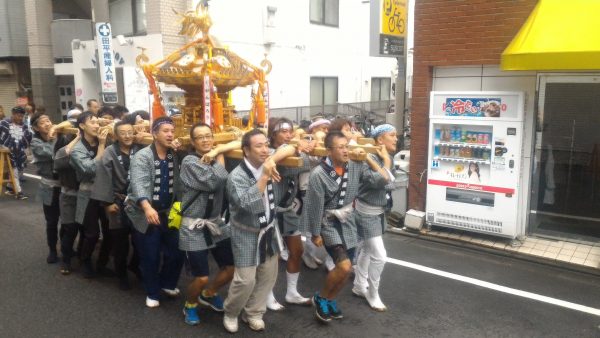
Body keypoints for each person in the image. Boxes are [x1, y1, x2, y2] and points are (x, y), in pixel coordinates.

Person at [302, 131, 388, 323]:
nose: (345, 150)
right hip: (328, 221)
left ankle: (331, 299)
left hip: (349, 220)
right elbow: (314, 207)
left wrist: (369, 159)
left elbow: (382, 180)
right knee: (344, 266)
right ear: (329, 150)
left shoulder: (355, 165)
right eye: (340, 147)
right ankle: (321, 297)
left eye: (346, 146)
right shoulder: (319, 174)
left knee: (347, 270)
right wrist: (315, 233)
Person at [222, 129, 296, 333]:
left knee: (268, 276)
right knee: (245, 279)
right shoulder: (236, 176)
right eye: (258, 146)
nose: (265, 150)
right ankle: (231, 312)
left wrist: (273, 158)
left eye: (266, 145)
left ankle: (253, 312)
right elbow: (247, 204)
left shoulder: (270, 162)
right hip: (246, 232)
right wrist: (264, 176)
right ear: (246, 150)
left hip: (269, 229)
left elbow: (291, 147)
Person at [179, 123, 239, 325]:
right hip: (194, 227)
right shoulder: (189, 161)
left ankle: (209, 293)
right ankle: (190, 304)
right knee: (201, 276)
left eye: (209, 136)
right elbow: (215, 181)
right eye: (200, 137)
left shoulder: (215, 153)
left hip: (216, 223)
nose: (205, 140)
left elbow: (242, 141)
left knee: (231, 267)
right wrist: (218, 154)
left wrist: (219, 148)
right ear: (193, 142)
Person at [125, 116, 184, 308]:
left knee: (176, 251)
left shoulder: (173, 154)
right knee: (150, 255)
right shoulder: (142, 156)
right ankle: (152, 291)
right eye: (165, 131)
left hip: (169, 212)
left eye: (172, 131)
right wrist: (147, 206)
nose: (169, 134)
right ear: (154, 133)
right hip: (146, 213)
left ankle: (167, 283)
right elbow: (139, 182)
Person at [266, 118, 314, 310]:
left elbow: (307, 163)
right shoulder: (267, 153)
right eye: (283, 131)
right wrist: (299, 150)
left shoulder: (291, 151)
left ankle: (292, 292)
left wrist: (301, 149)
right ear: (273, 133)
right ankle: (267, 295)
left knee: (297, 251)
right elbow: (297, 165)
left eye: (290, 131)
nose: (288, 134)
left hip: (288, 209)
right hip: (270, 211)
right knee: (273, 256)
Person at [352, 124, 396, 312]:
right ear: (379, 140)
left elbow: (389, 180)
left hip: (378, 211)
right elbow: (379, 180)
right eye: (392, 135)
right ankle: (373, 294)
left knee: (368, 250)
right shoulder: (365, 158)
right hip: (366, 212)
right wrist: (386, 162)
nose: (396, 139)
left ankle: (359, 285)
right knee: (380, 255)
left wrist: (386, 161)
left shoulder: (383, 157)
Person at [92, 120, 140, 290]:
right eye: (123, 133)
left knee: (140, 239)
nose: (127, 136)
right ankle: (122, 276)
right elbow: (103, 178)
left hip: (137, 202)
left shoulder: (139, 149)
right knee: (120, 243)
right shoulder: (109, 153)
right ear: (116, 136)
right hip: (117, 202)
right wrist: (107, 203)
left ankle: (135, 265)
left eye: (130, 132)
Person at [69, 112, 109, 278]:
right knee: (91, 233)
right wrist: (101, 146)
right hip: (88, 193)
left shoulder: (107, 140)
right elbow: (90, 169)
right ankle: (85, 261)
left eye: (96, 122)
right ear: (82, 126)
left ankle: (101, 264)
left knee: (110, 232)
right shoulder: (77, 149)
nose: (96, 125)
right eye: (91, 122)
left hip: (106, 193)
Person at [30, 113, 63, 263]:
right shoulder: (35, 142)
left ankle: (66, 247)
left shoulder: (59, 136)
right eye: (42, 123)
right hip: (48, 186)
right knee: (51, 221)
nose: (47, 124)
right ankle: (52, 250)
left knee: (67, 220)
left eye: (48, 120)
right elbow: (52, 153)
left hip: (64, 185)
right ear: (36, 127)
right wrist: (53, 138)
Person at [53, 128, 83, 275]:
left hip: (85, 195)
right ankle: (66, 259)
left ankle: (82, 256)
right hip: (68, 195)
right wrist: (76, 139)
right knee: (70, 228)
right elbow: (59, 161)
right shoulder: (64, 150)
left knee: (84, 229)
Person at [0, 106, 32, 199]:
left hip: (20, 151)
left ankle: (10, 188)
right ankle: (19, 192)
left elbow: (28, 138)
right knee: (14, 171)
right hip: (6, 151)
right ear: (13, 114)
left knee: (18, 170)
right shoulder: (4, 123)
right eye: (18, 116)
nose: (20, 118)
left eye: (22, 116)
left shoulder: (24, 126)